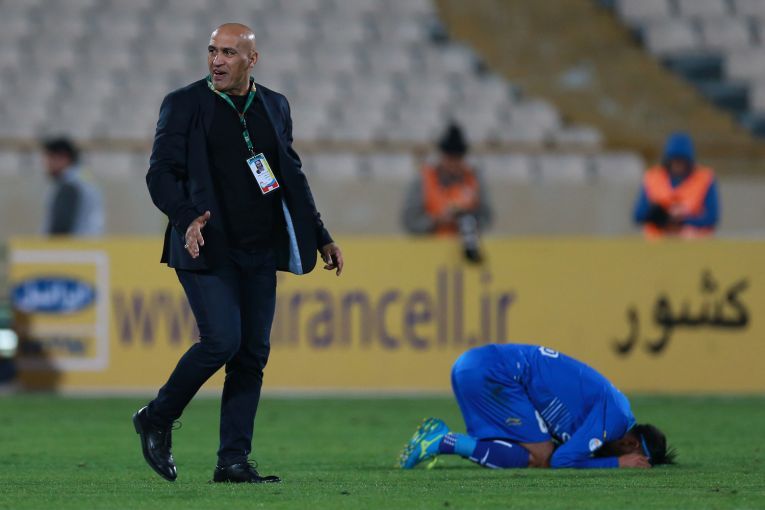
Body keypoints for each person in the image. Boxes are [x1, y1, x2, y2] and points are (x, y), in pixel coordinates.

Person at [133, 23, 344, 484]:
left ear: (252, 59)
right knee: (221, 341)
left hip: (259, 249)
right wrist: (186, 217)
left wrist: (321, 234)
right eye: (212, 51)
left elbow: (290, 175)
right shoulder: (184, 103)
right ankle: (157, 416)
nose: (217, 60)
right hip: (206, 244)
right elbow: (160, 173)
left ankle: (232, 461)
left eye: (229, 52)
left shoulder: (275, 105)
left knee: (251, 355)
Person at [399, 343, 676, 470]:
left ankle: (443, 440)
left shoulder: (615, 409)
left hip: (474, 365)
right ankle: (443, 441)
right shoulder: (614, 419)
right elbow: (560, 461)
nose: (636, 465)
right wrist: (617, 463)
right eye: (639, 460)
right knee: (542, 456)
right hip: (496, 373)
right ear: (631, 444)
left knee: (525, 453)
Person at [402, 123, 492, 262]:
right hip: (428, 254)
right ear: (442, 156)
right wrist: (437, 220)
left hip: (466, 254)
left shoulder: (473, 180)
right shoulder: (423, 180)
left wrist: (466, 220)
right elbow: (410, 221)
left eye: (458, 158)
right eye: (450, 158)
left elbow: (487, 218)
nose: (454, 164)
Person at [633, 132, 719, 239]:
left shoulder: (704, 178)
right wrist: (665, 215)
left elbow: (712, 217)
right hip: (658, 241)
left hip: (693, 241)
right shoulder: (653, 177)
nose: (677, 165)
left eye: (681, 161)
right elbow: (638, 215)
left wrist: (683, 219)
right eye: (674, 160)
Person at [41, 137, 104, 236]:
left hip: (72, 245)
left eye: (50, 158)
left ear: (63, 158)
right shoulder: (85, 182)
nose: (46, 165)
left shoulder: (68, 186)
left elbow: (60, 228)